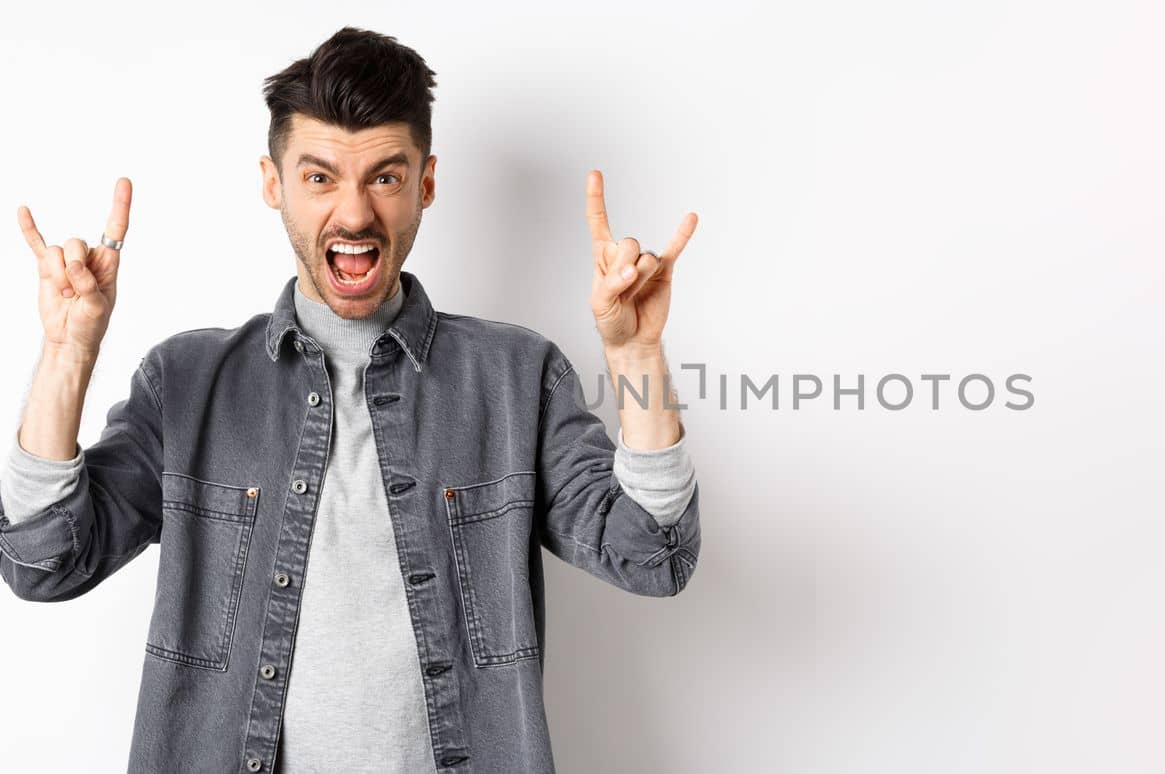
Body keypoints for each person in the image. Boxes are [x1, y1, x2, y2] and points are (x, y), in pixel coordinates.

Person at [0, 26, 702, 774]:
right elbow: (43, 562)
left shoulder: (514, 376)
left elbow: (653, 557)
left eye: (386, 178)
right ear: (273, 184)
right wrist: (67, 354)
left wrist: (636, 356)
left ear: (426, 183)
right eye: (319, 178)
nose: (356, 214)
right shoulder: (187, 383)